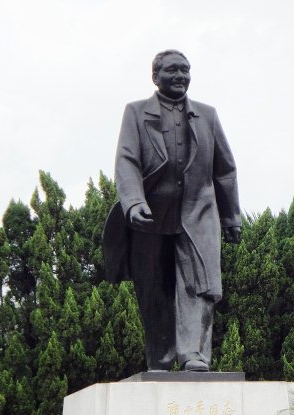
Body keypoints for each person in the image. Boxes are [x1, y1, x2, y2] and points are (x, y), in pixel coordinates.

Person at [104, 49, 241, 372]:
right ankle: (162, 359)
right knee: (154, 289)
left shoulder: (207, 116)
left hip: (198, 212)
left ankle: (194, 354)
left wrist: (231, 217)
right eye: (172, 71)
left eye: (185, 70)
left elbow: (224, 170)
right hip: (150, 215)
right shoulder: (136, 112)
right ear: (155, 77)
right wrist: (134, 202)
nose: (180, 76)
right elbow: (127, 161)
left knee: (199, 283)